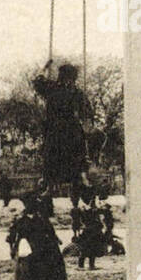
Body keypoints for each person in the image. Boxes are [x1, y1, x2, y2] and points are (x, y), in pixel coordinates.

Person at [32, 60, 91, 207]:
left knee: (50, 153)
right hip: (71, 129)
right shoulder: (77, 92)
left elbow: (37, 81)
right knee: (79, 151)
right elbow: (87, 111)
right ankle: (83, 176)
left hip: (55, 129)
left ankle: (49, 184)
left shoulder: (52, 88)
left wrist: (44, 67)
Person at [7, 195, 64, 280]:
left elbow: (49, 230)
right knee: (29, 270)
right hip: (30, 248)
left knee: (46, 267)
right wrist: (13, 249)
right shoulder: (22, 219)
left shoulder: (39, 217)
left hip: (42, 246)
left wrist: (55, 239)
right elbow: (13, 235)